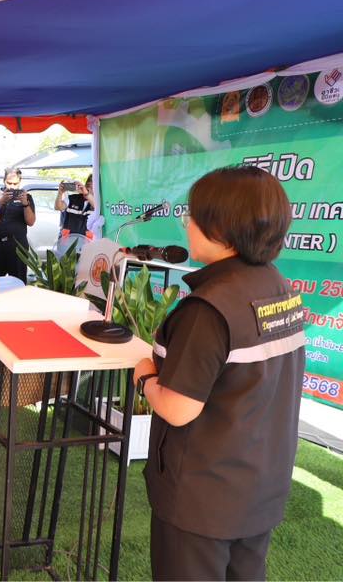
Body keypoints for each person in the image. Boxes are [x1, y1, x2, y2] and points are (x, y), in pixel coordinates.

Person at [132, 166, 305, 581]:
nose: (186, 224)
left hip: (202, 498)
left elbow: (178, 409)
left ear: (221, 228)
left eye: (192, 215)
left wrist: (144, 376)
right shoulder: (278, 288)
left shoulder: (208, 309)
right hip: (258, 490)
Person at [0, 167, 35, 283]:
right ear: (4, 181)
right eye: (9, 183)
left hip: (18, 245)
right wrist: (1, 201)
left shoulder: (27, 197)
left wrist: (25, 204)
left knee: (18, 280)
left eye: (15, 184)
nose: (12, 187)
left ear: (20, 182)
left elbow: (31, 222)